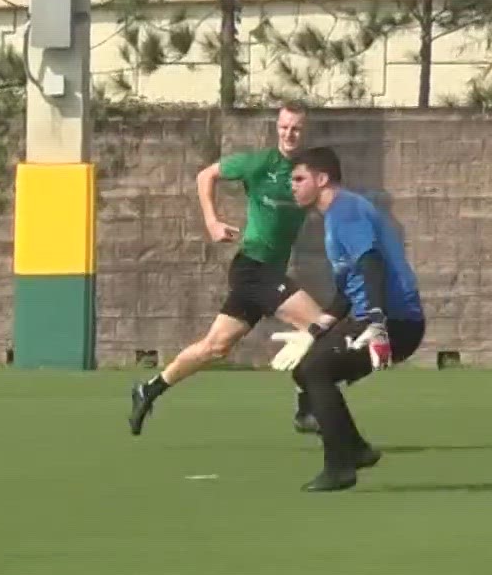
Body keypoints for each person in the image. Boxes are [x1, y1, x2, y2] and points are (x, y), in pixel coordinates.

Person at [127, 102, 331, 436]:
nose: (289, 134)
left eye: (295, 128)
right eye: (284, 127)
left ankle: (148, 390)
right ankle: (305, 409)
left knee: (215, 347)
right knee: (319, 325)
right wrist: (212, 221)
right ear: (276, 128)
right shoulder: (259, 164)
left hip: (266, 273)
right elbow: (205, 175)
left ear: (304, 132)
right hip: (253, 269)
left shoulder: (310, 174)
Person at [275, 146, 427, 492]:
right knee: (307, 368)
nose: (293, 186)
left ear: (322, 179)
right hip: (378, 316)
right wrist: (316, 328)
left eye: (299, 179)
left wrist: (376, 323)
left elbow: (370, 262)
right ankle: (354, 450)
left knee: (315, 370)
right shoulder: (335, 217)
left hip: (395, 320)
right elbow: (348, 288)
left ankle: (340, 465)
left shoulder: (345, 210)